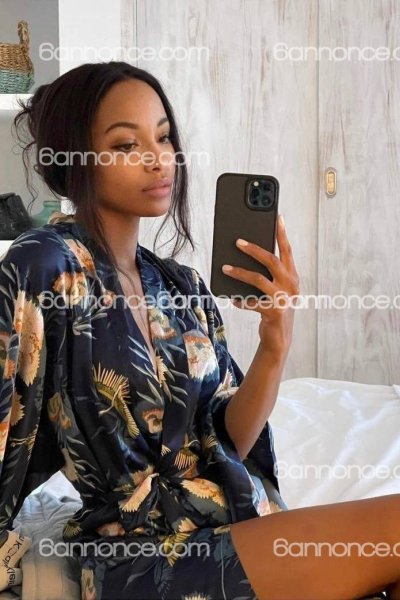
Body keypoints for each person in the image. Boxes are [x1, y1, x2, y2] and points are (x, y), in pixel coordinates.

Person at [0, 60, 398, 600]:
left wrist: (275, 341)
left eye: (164, 137)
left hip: (228, 525)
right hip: (139, 554)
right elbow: (8, 404)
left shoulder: (180, 284)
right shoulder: (46, 263)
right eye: (126, 144)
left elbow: (230, 441)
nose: (158, 158)